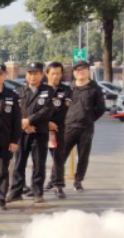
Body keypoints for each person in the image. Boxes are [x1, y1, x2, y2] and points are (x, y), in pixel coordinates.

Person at [7, 63, 54, 204]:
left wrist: (30, 121)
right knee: (19, 163)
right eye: (30, 73)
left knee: (39, 163)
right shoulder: (18, 91)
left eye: (36, 73)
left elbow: (47, 110)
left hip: (39, 132)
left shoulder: (48, 90)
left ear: (42, 75)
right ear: (26, 75)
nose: (32, 76)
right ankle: (16, 192)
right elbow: (14, 111)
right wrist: (23, 124)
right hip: (22, 133)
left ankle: (37, 192)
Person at [61, 60, 106, 191]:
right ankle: (55, 179)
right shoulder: (68, 88)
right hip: (68, 126)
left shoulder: (95, 88)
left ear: (88, 71)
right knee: (61, 155)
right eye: (77, 70)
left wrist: (90, 118)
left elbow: (101, 108)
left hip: (86, 128)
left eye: (83, 69)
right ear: (74, 72)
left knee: (83, 156)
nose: (80, 72)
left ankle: (78, 180)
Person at [0, 64, 22, 210]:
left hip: (5, 140)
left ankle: (1, 198)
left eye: (1, 74)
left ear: (5, 75)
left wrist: (15, 140)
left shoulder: (12, 95)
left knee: (3, 171)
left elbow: (16, 120)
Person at [44, 62, 72, 199]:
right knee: (37, 158)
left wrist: (52, 122)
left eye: (58, 73)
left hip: (56, 129)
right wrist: (46, 121)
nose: (55, 76)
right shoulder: (40, 89)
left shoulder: (66, 91)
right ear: (47, 74)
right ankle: (35, 186)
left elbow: (63, 110)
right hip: (39, 127)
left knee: (58, 157)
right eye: (53, 73)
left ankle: (58, 185)